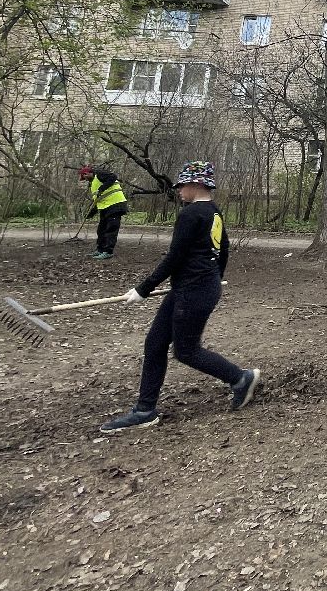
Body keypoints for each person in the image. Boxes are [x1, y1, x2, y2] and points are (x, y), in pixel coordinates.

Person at [100, 161, 260, 433]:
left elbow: (174, 257)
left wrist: (143, 289)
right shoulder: (213, 212)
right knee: (155, 343)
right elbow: (224, 251)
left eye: (182, 185)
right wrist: (213, 276)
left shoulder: (191, 214)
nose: (179, 190)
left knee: (186, 351)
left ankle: (240, 378)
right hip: (193, 287)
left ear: (196, 184)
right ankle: (145, 410)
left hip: (193, 291)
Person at [80, 165, 128, 260]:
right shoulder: (93, 183)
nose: (85, 180)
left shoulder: (99, 174)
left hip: (116, 205)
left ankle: (108, 252)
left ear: (87, 173)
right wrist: (90, 213)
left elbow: (113, 177)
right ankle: (100, 250)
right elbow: (97, 200)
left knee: (111, 230)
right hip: (105, 208)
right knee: (101, 230)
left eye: (84, 177)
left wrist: (102, 189)